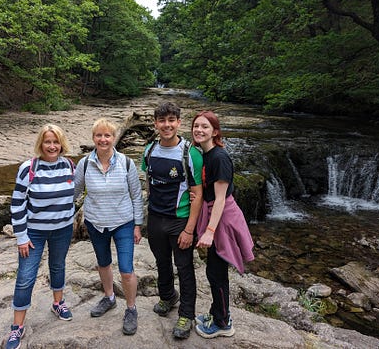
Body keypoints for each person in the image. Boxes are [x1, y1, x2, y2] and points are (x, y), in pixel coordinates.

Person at [5, 124, 75, 349]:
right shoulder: (29, 168)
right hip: (34, 232)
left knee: (58, 266)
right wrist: (21, 237)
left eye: (56, 142)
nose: (52, 146)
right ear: (41, 144)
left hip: (63, 229)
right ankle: (17, 327)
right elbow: (17, 204)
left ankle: (58, 303)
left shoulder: (69, 166)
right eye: (48, 142)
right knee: (26, 276)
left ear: (61, 144)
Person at [73, 118, 144, 335]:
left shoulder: (126, 163)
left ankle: (131, 309)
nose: (103, 139)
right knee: (103, 263)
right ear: (93, 138)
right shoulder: (85, 164)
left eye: (107, 135)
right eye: (99, 135)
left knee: (126, 268)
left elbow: (136, 195)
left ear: (114, 138)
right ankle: (109, 297)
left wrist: (138, 224)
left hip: (123, 222)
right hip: (96, 223)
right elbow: (74, 193)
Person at [141, 102, 203, 339]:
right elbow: (148, 181)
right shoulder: (149, 151)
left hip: (180, 219)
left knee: (185, 268)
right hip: (156, 217)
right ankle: (167, 297)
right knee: (161, 261)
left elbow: (197, 195)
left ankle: (187, 314)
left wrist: (189, 230)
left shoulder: (191, 154)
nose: (166, 125)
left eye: (171, 120)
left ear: (179, 122)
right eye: (161, 121)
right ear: (155, 124)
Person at [191, 110, 254, 339]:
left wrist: (209, 231)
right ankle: (217, 313)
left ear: (214, 131)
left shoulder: (219, 157)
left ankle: (223, 322)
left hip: (222, 218)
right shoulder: (204, 154)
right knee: (213, 271)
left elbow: (220, 198)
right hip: (214, 214)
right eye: (196, 126)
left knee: (217, 272)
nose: (199, 130)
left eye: (205, 127)